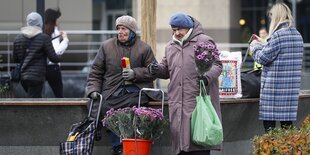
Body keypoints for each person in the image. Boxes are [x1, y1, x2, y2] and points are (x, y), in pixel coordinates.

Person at [148, 12, 223, 155]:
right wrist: (157, 70)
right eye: (174, 30)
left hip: (197, 101)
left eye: (179, 29)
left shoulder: (203, 41)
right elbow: (167, 70)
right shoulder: (170, 46)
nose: (176, 33)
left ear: (188, 28)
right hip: (177, 102)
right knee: (180, 146)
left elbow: (217, 65)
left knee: (198, 141)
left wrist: (207, 77)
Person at [86, 15, 157, 155]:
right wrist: (93, 90)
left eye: (123, 29)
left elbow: (153, 71)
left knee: (132, 106)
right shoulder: (106, 46)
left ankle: (127, 146)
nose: (120, 32)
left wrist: (135, 73)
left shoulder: (144, 48)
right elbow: (95, 72)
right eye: (118, 28)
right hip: (111, 90)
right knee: (106, 106)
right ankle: (118, 147)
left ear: (132, 31)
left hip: (136, 90)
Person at [250, 2, 303, 133]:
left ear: (276, 16)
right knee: (288, 130)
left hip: (274, 91)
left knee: (270, 132)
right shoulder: (297, 35)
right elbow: (278, 53)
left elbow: (262, 58)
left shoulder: (278, 35)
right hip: (290, 91)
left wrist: (255, 45)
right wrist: (264, 43)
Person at [13, 12, 61, 98]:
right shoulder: (44, 38)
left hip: (23, 77)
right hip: (37, 77)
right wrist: (60, 53)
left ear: (28, 23)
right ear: (40, 23)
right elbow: (53, 58)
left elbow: (15, 59)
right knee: (33, 103)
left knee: (35, 99)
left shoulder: (18, 38)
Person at [44, 8, 69, 98]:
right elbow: (57, 51)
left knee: (36, 97)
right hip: (53, 67)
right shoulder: (53, 31)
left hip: (41, 67)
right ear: (53, 19)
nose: (58, 21)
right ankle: (61, 112)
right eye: (57, 19)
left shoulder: (42, 30)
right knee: (59, 96)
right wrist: (65, 39)